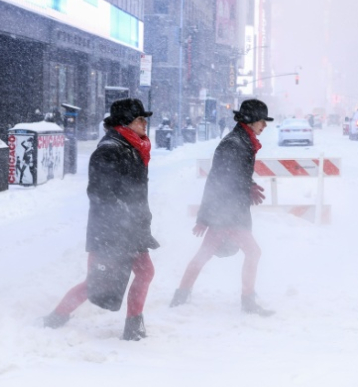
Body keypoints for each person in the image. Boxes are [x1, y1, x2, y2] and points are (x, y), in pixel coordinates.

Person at [43, 98, 160, 340]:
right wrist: (126, 221)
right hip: (111, 231)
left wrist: (140, 222)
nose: (144, 123)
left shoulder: (133, 147)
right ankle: (55, 318)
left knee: (145, 272)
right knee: (96, 284)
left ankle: (133, 326)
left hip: (132, 229)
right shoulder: (110, 149)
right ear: (126, 122)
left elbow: (134, 192)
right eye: (140, 119)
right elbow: (100, 194)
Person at [170, 99, 274, 316]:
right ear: (252, 120)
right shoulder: (234, 143)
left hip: (227, 210)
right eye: (262, 121)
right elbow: (218, 180)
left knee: (205, 254)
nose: (264, 126)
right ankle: (247, 301)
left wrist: (250, 185)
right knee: (253, 252)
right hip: (228, 212)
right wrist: (204, 217)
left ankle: (181, 295)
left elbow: (235, 176)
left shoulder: (242, 141)